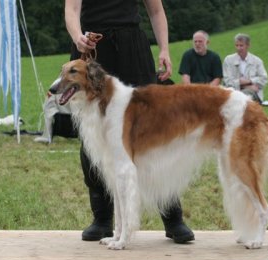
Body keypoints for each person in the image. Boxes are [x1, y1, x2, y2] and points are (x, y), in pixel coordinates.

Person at [64, 0, 194, 244]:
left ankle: (172, 216)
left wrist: (164, 49)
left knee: (152, 132)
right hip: (92, 52)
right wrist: (77, 37)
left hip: (133, 50)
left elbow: (156, 10)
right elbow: (71, 9)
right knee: (94, 134)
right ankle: (102, 219)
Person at [223, 33, 268, 103]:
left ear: (248, 46)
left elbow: (264, 79)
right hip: (233, 94)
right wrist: (244, 85)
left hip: (253, 96)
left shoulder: (257, 61)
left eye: (241, 45)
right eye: (236, 45)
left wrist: (249, 81)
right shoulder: (228, 60)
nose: (238, 48)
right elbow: (227, 81)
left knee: (245, 97)